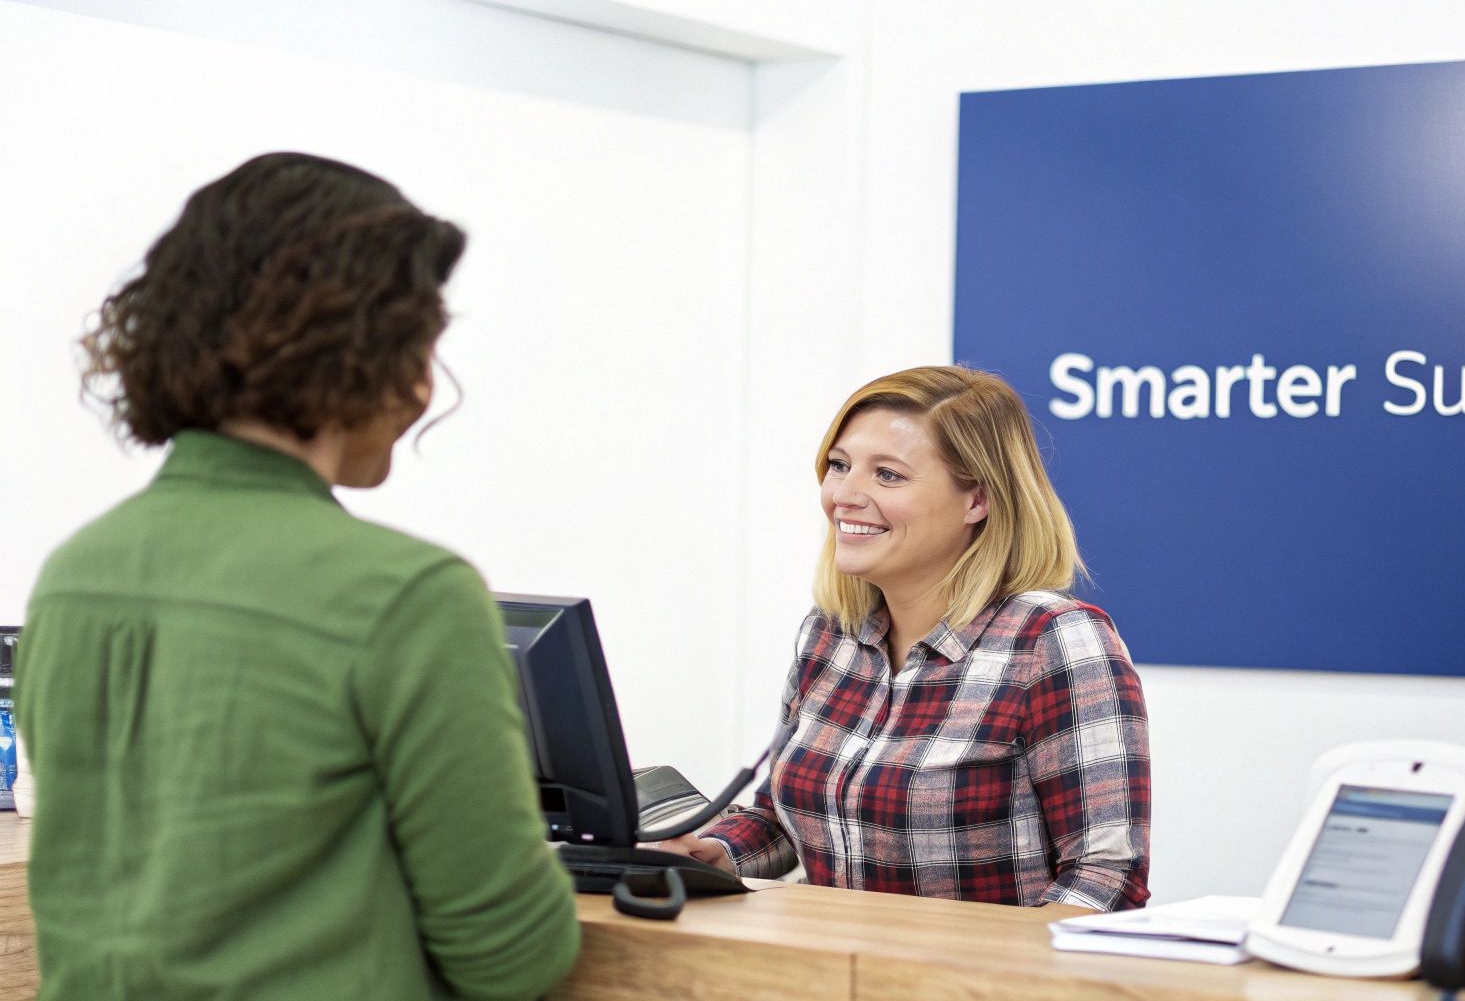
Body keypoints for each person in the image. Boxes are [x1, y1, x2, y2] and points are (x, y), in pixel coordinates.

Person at [14, 153, 579, 1000]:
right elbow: (510, 955)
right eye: (423, 343)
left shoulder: (74, 574)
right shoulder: (408, 595)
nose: (426, 388)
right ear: (365, 350)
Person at [659, 365, 1151, 911]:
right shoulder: (829, 634)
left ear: (977, 500)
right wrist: (714, 853)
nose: (845, 495)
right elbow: (782, 817)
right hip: (824, 958)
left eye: (888, 475)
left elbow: (1105, 878)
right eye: (839, 466)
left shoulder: (1053, 640)